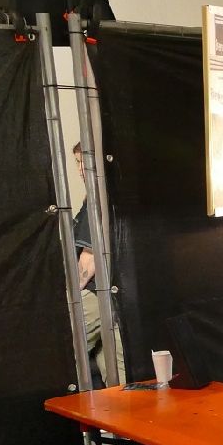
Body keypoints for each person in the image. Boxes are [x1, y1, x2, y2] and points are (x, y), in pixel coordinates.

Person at [72, 143, 125, 387]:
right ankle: (124, 422)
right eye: (77, 163)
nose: (81, 170)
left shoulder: (96, 199)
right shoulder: (113, 195)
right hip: (118, 296)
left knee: (66, 350)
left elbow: (89, 261)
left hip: (95, 293)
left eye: (85, 162)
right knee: (117, 373)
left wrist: (70, 294)